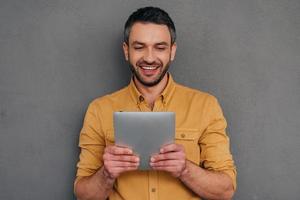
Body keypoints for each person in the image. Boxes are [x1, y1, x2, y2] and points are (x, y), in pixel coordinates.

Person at [74, 6, 237, 200]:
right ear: (126, 50)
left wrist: (185, 169)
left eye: (160, 47)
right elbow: (83, 195)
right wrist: (106, 174)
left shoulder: (206, 106)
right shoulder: (99, 110)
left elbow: (226, 190)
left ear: (172, 51)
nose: (149, 57)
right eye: (139, 47)